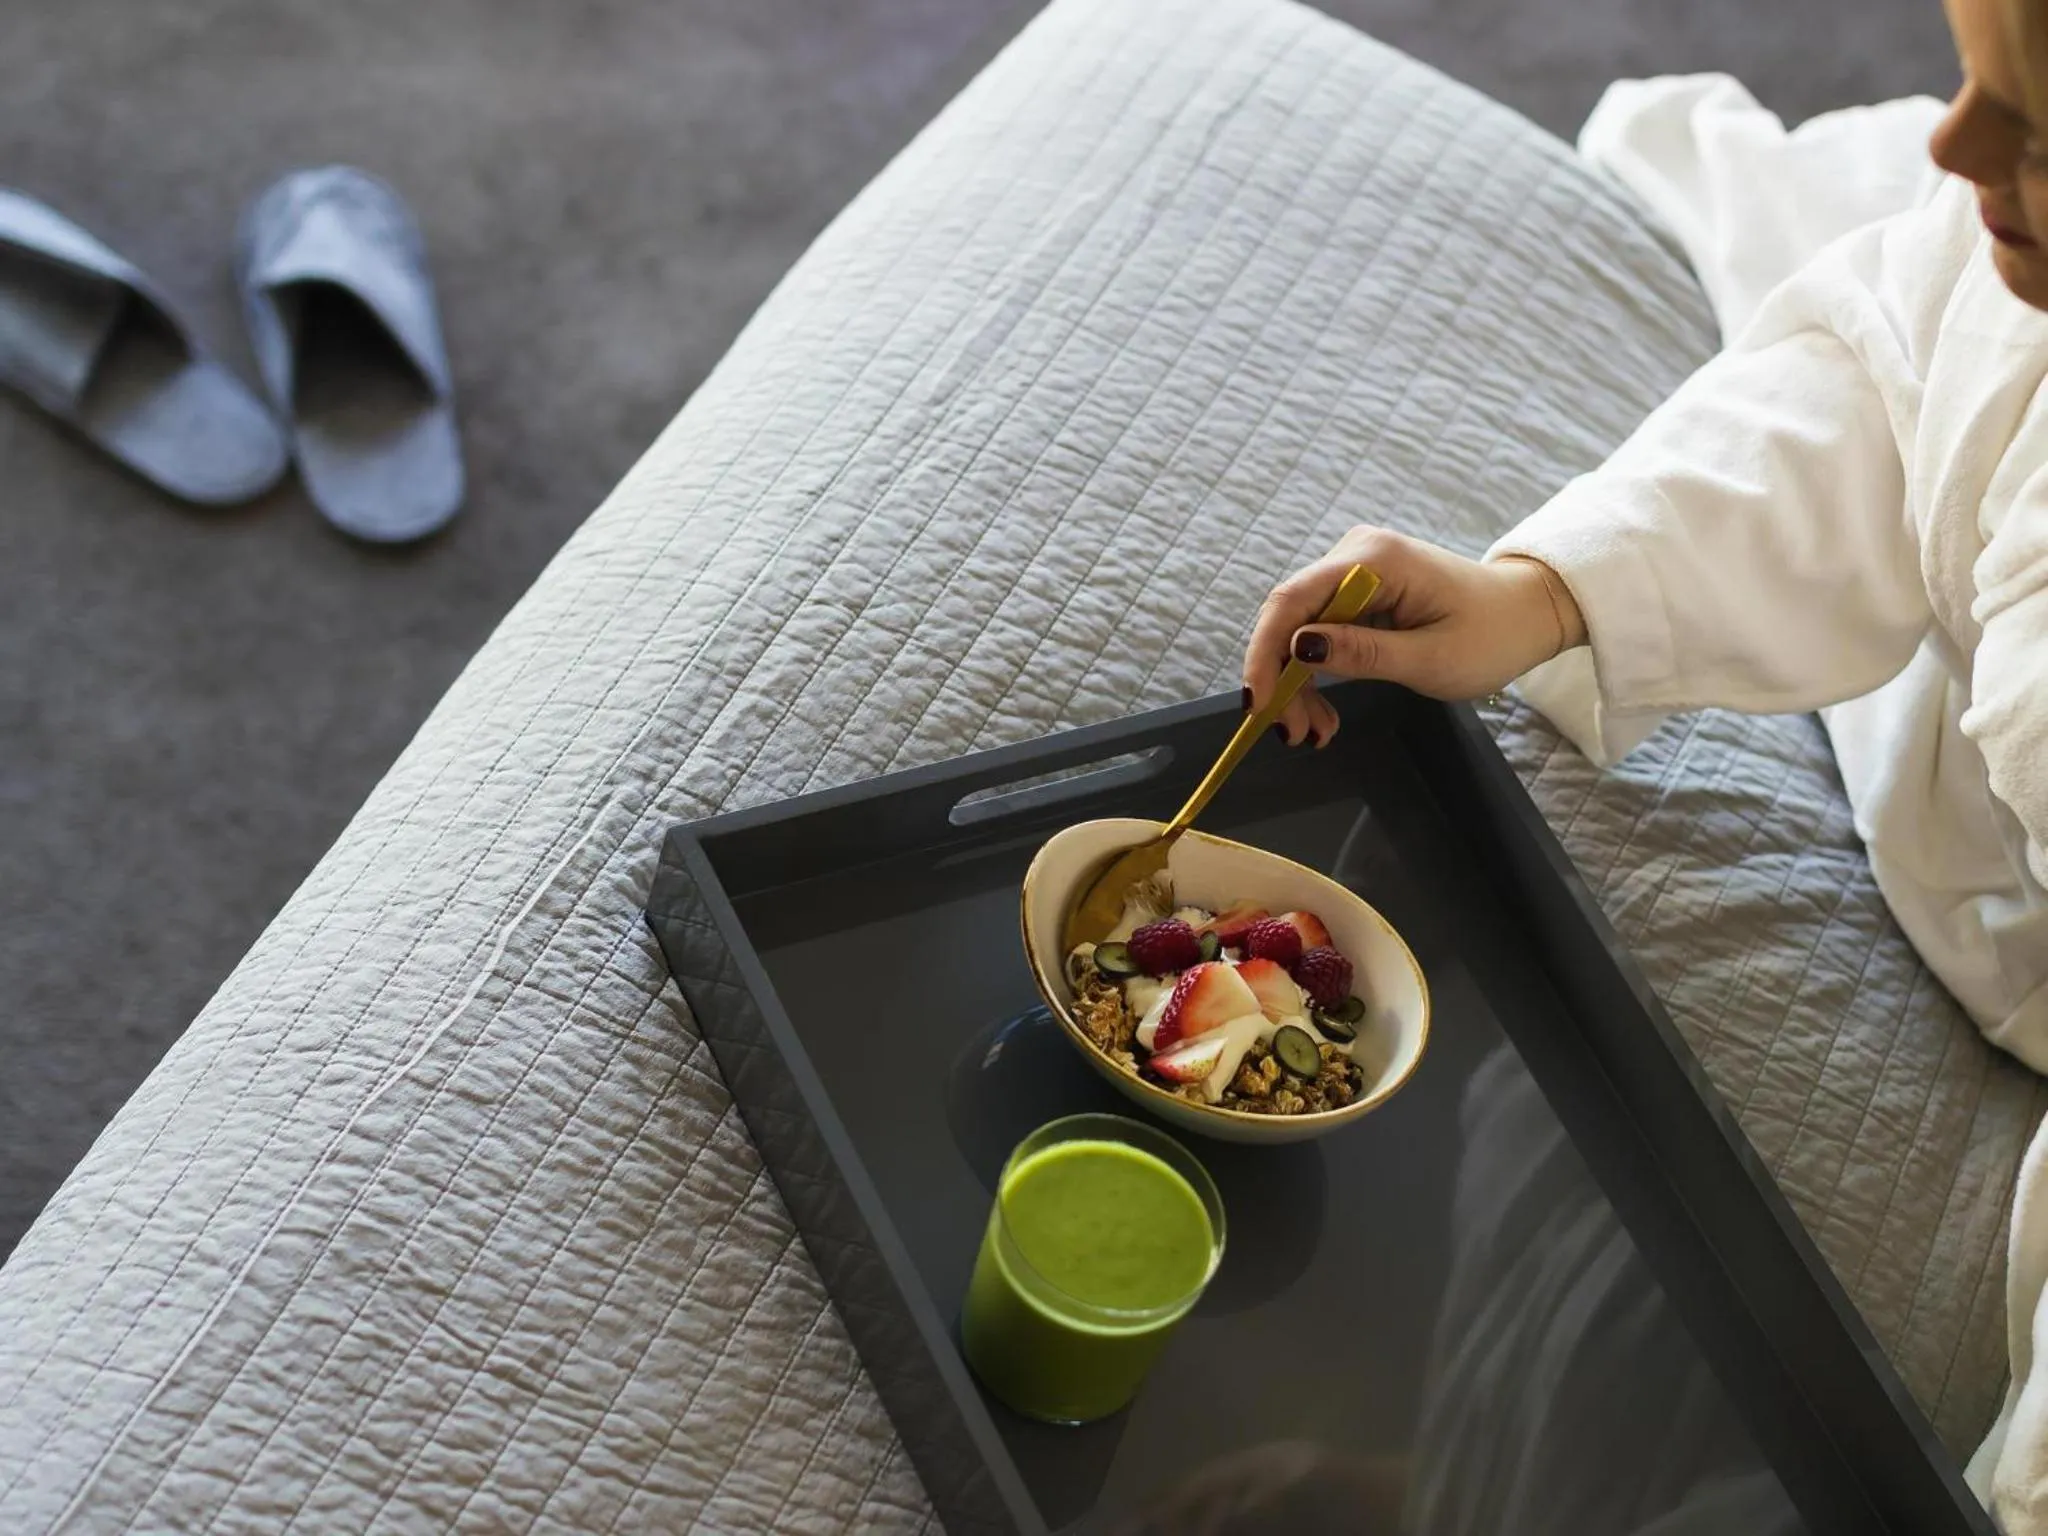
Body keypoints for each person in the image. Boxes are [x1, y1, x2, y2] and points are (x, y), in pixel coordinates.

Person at [1242, 0, 2048, 1524]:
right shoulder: (1998, 255)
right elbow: (1898, 382)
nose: (1951, 148)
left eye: (2035, 130)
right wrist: (1544, 595)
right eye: (1969, 73)